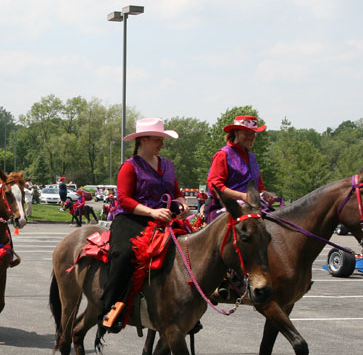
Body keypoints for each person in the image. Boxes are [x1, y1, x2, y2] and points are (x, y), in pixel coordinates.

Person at [101, 118, 188, 332]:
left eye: (162, 139)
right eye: (158, 139)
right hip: (132, 219)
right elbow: (124, 199)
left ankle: (184, 308)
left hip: (164, 218)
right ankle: (111, 309)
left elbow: (177, 193)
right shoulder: (130, 167)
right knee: (124, 254)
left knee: (190, 249)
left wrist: (183, 205)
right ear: (143, 140)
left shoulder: (167, 165)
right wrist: (151, 211)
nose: (162, 144)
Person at [205, 115, 277, 222]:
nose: (250, 137)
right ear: (236, 132)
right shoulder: (223, 155)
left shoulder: (252, 157)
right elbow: (215, 187)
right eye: (246, 133)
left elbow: (259, 186)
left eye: (253, 133)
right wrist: (242, 196)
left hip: (251, 208)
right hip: (223, 207)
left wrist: (265, 194)